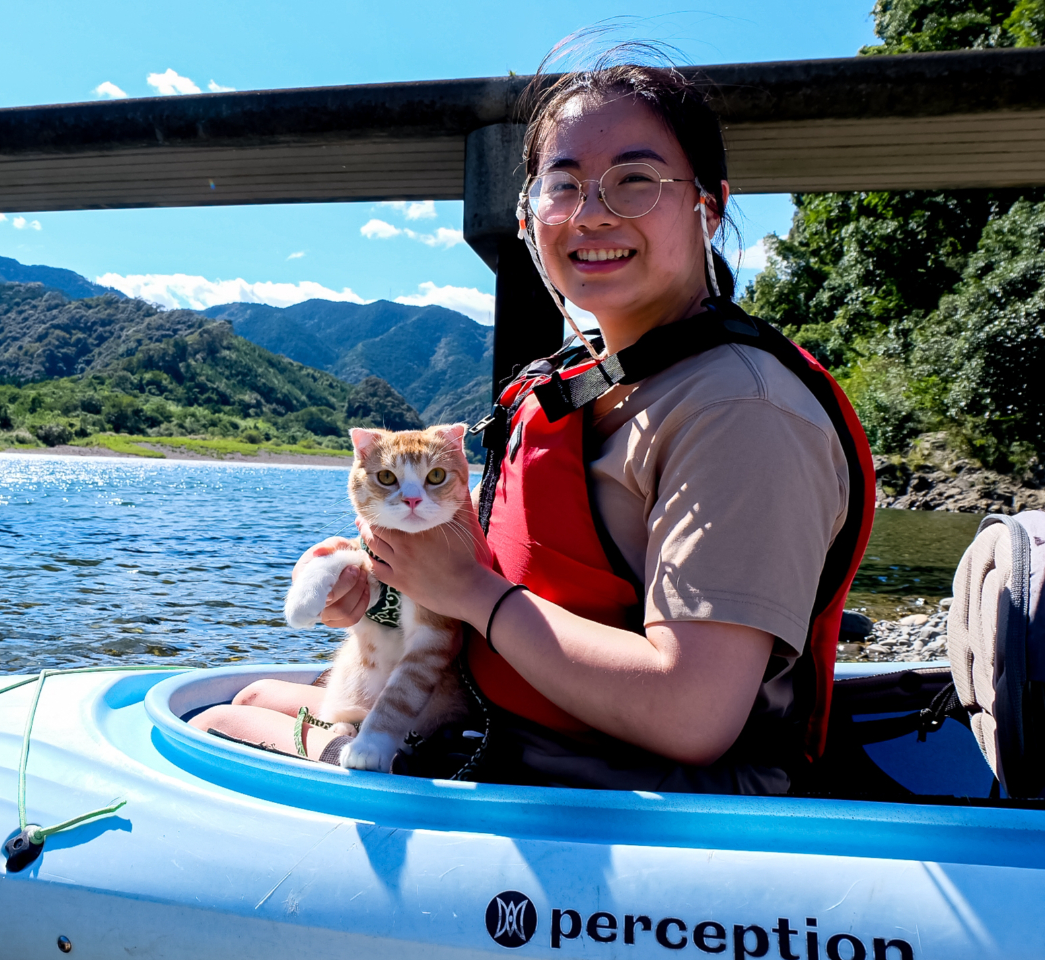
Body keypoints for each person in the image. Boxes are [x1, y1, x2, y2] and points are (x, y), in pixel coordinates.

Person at [193, 57, 872, 793]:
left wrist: (470, 594)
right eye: (564, 185)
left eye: (636, 180)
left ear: (708, 208)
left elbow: (692, 716)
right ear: (529, 213)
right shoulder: (596, 378)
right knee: (254, 695)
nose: (592, 213)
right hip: (517, 720)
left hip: (615, 785)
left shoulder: (741, 414)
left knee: (219, 724)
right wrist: (387, 592)